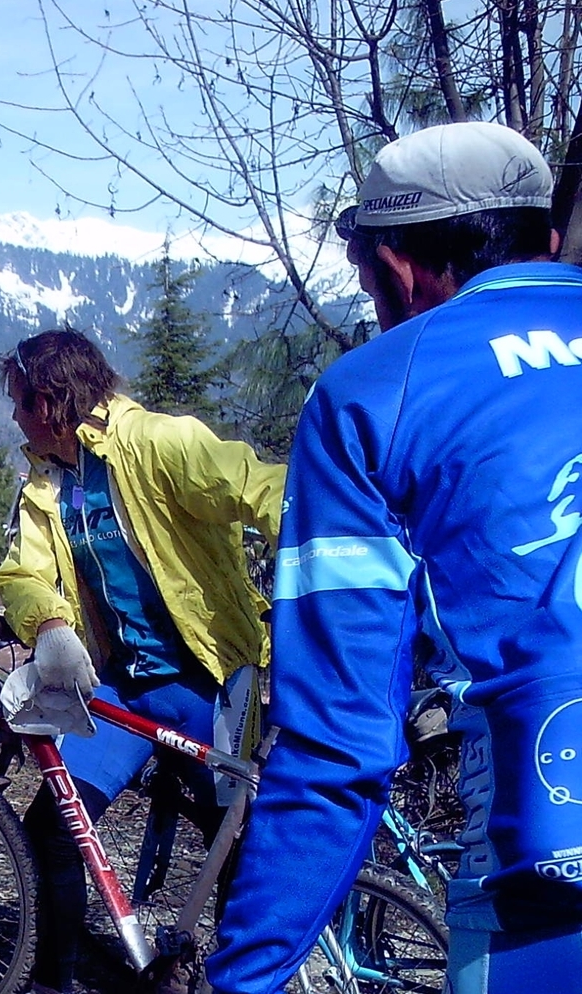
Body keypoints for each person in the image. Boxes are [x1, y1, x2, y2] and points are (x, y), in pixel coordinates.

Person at [206, 122, 582, 993]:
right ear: (548, 242)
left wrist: (245, 977)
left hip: (550, 875)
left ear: (394, 267)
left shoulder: (372, 392)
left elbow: (338, 746)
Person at [0, 328, 285, 994]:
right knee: (55, 825)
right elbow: (21, 573)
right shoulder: (47, 478)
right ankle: (54, 981)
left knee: (232, 845)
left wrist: (330, 571)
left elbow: (265, 489)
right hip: (122, 687)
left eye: (18, 400)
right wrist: (51, 626)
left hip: (207, 682)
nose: (12, 416)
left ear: (48, 398)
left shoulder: (157, 442)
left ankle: (232, 977)